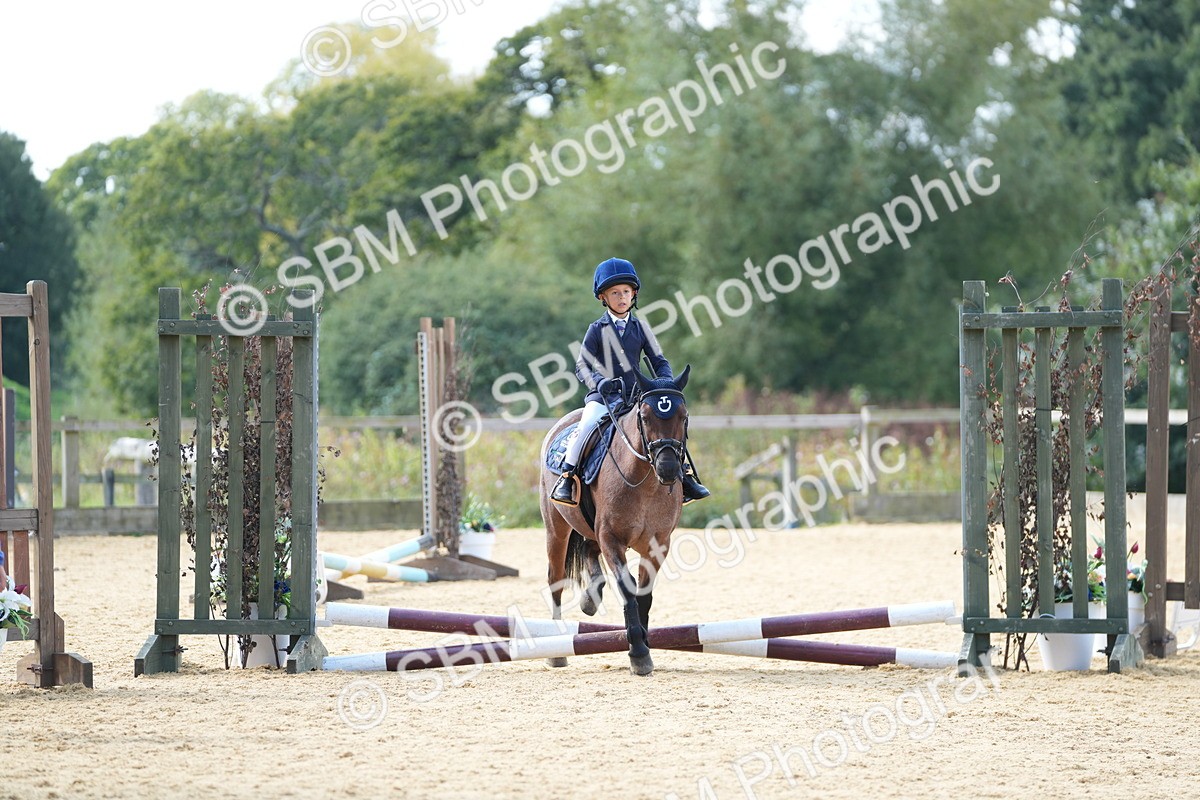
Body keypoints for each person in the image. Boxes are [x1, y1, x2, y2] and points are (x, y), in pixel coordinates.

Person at [550, 256, 710, 507]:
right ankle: (568, 477)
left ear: (633, 294)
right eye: (615, 293)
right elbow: (582, 365)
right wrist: (598, 383)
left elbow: (659, 361)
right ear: (603, 297)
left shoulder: (642, 328)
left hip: (637, 398)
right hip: (604, 398)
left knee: (669, 426)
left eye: (626, 291)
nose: (622, 297)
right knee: (586, 425)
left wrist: (665, 381)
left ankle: (686, 476)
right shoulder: (596, 329)